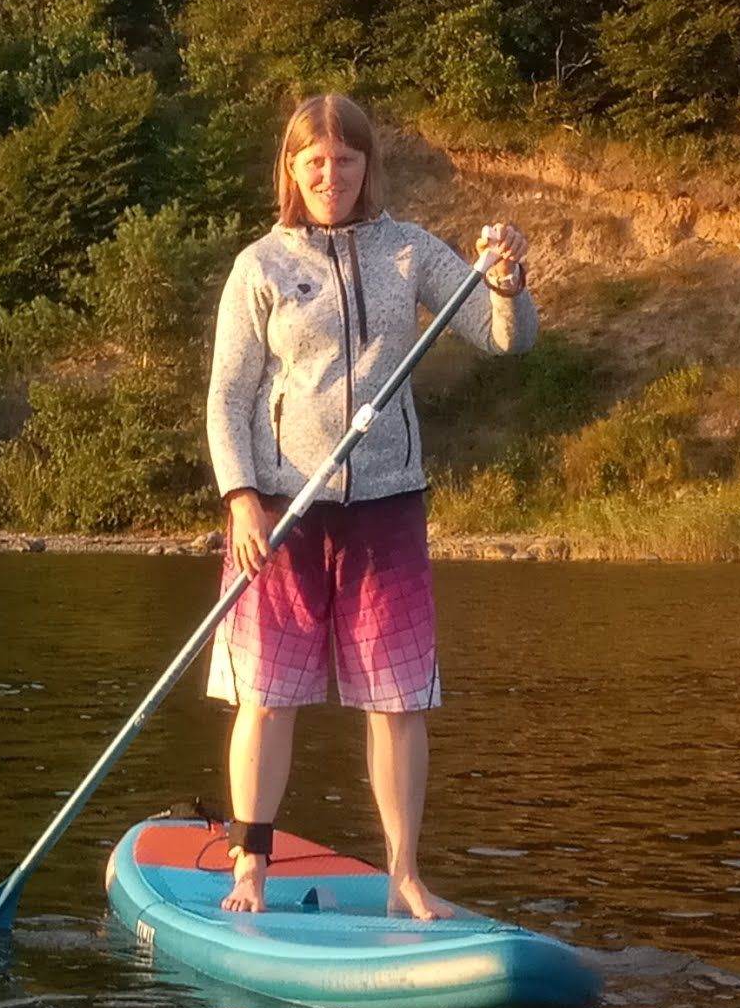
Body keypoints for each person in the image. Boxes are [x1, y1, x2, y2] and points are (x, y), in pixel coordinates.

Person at [202, 92, 529, 921]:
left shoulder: (410, 252)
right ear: (292, 168)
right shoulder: (261, 267)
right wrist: (242, 501)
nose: (331, 175)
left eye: (346, 161)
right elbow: (228, 398)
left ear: (366, 166)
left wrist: (506, 283)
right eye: (315, 161)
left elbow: (506, 339)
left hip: (387, 506)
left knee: (397, 698)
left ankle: (405, 877)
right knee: (266, 694)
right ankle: (250, 866)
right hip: (282, 508)